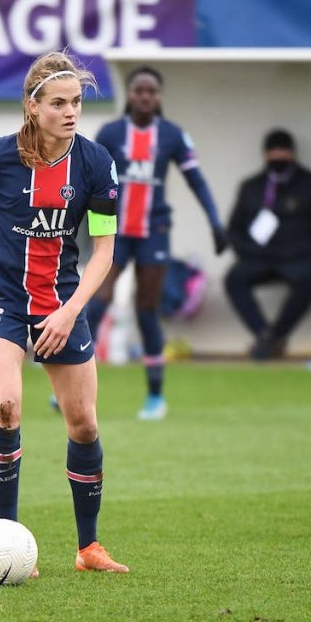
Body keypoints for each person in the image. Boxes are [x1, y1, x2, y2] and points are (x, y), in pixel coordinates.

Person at [0, 51, 129, 573]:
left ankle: (89, 549)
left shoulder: (95, 163)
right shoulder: (1, 156)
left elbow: (104, 252)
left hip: (60, 303)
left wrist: (70, 311)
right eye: (58, 103)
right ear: (33, 106)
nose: (71, 112)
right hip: (0, 298)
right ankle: (9, 539)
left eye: (76, 102)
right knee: (5, 407)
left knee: (85, 425)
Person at [83, 66, 227, 420]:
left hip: (154, 232)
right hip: (113, 231)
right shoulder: (111, 132)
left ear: (158, 97)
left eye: (151, 91)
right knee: (96, 301)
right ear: (129, 94)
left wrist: (214, 220)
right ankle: (73, 387)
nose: (145, 96)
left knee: (146, 310)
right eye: (139, 90)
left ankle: (155, 397)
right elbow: (88, 180)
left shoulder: (173, 136)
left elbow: (197, 180)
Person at [224, 129, 311, 359]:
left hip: (299, 257)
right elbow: (233, 230)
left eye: (283, 153)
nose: (278, 159)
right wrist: (250, 250)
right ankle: (264, 334)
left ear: (293, 154)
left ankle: (276, 335)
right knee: (233, 279)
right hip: (259, 257)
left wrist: (306, 250)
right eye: (273, 154)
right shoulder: (251, 186)